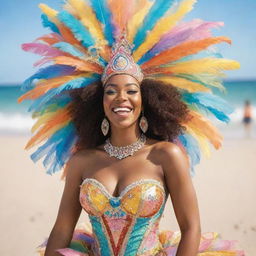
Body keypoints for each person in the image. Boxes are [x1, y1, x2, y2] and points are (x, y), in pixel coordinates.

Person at [19, 0, 245, 255]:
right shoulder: (81, 161)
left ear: (145, 99)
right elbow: (62, 229)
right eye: (111, 91)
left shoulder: (166, 155)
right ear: (99, 101)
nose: (121, 98)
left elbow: (191, 228)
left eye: (131, 91)